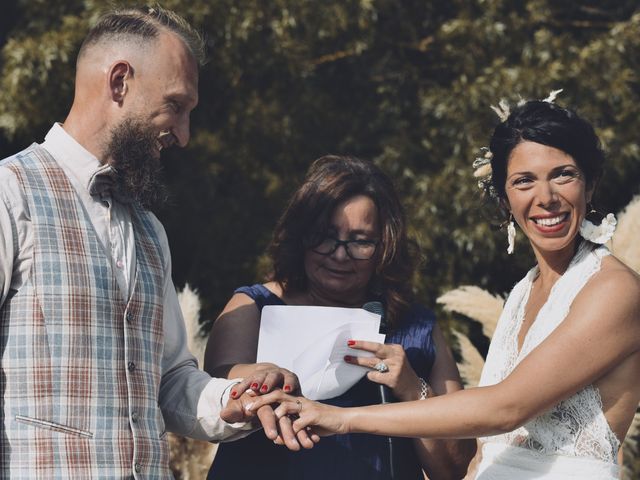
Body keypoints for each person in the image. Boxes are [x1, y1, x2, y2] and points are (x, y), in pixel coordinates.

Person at [246, 100, 640, 479]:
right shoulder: (525, 289)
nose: (546, 198)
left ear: (590, 185)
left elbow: (507, 407)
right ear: (504, 199)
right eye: (524, 181)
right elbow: (490, 446)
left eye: (563, 174)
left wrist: (341, 418)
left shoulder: (613, 290)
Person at [0, 6, 275, 478]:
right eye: (176, 106)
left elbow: (167, 379)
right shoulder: (10, 193)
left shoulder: (149, 231)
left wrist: (234, 401)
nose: (184, 136)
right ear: (120, 82)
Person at [206, 155, 476, 479]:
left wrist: (412, 388)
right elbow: (218, 388)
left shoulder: (416, 327)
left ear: (385, 246)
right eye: (324, 236)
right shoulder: (254, 305)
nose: (339, 254)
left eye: (360, 242)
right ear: (300, 235)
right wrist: (260, 375)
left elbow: (455, 468)